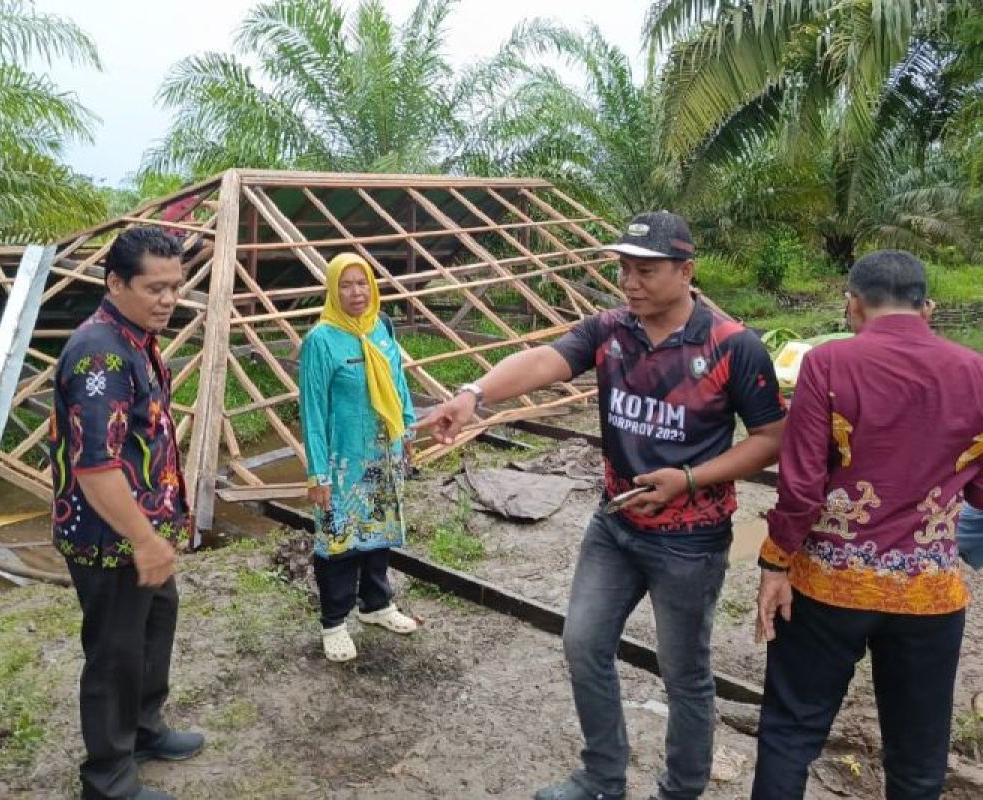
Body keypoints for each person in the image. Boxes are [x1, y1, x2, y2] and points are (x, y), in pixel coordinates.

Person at [416, 212, 786, 800]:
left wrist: (688, 479)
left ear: (686, 272)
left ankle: (681, 790)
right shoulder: (611, 330)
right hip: (615, 526)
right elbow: (544, 359)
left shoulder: (732, 347)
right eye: (624, 269)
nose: (631, 282)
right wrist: (473, 394)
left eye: (647, 270)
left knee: (685, 673)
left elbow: (771, 439)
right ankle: (602, 778)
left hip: (690, 540)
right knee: (584, 643)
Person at [753, 250, 983, 800]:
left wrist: (774, 562)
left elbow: (803, 486)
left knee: (790, 734)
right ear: (927, 308)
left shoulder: (829, 364)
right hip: (928, 597)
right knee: (918, 761)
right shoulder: (976, 373)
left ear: (853, 304)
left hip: (829, 590)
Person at [50, 226, 203, 800]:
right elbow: (95, 467)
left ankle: (143, 732)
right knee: (114, 653)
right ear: (115, 282)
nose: (168, 299)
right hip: (109, 536)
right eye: (154, 288)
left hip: (143, 530)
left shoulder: (136, 338)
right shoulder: (100, 355)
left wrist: (158, 533)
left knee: (154, 628)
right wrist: (145, 539)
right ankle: (108, 778)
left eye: (176, 287)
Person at [300, 252, 419, 663]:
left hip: (381, 452)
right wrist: (317, 473)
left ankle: (376, 605)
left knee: (379, 531)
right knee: (338, 542)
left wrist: (406, 427)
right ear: (333, 289)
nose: (356, 292)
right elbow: (313, 408)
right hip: (341, 460)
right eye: (346, 284)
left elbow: (398, 380)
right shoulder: (321, 340)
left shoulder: (381, 327)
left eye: (362, 282)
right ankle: (334, 622)